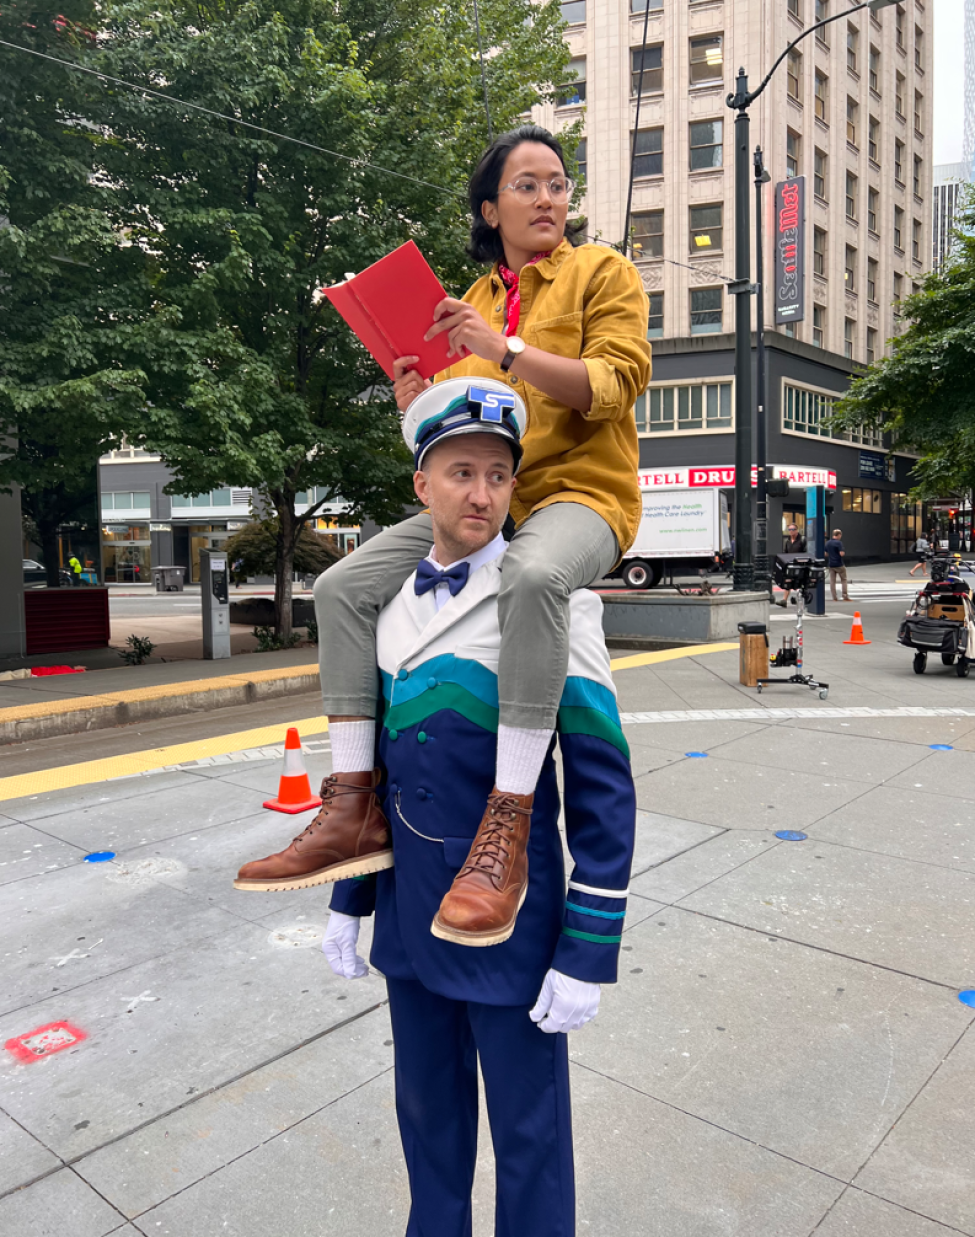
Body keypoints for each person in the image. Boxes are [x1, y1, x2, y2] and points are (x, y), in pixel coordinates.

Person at [237, 124, 651, 947]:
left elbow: (613, 384)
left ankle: (508, 821)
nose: (546, 198)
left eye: (557, 183)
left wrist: (508, 349)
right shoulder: (465, 300)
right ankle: (353, 802)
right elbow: (453, 440)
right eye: (526, 185)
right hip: (479, 502)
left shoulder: (602, 272)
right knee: (341, 587)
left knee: (533, 577)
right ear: (489, 206)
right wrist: (412, 401)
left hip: (577, 497)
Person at [315, 389, 635, 1236]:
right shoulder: (380, 608)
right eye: (461, 472)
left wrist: (587, 950)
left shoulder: (557, 601)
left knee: (529, 1136)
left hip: (510, 926)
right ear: (422, 485)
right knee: (426, 1121)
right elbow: (381, 772)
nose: (481, 494)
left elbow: (603, 787)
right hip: (411, 921)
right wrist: (351, 900)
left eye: (498, 474)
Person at [775, 523, 808, 607]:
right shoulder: (787, 541)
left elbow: (805, 552)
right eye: (789, 529)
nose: (791, 531)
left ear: (797, 530)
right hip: (790, 564)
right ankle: (784, 600)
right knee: (788, 580)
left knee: (800, 582)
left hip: (800, 564)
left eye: (793, 529)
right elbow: (785, 552)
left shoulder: (802, 540)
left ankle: (800, 598)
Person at [824, 528, 850, 600]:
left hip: (831, 564)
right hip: (839, 564)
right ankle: (845, 596)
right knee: (844, 580)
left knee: (832, 581)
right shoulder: (839, 543)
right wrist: (843, 553)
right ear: (838, 535)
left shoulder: (827, 543)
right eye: (840, 535)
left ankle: (834, 597)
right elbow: (841, 554)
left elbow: (825, 554)